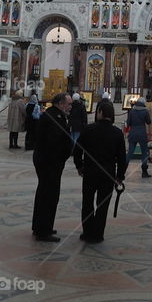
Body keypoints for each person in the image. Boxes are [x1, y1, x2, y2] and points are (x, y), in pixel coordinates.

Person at [74, 99, 127, 244]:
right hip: (108, 174)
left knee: (87, 202)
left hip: (90, 172)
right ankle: (97, 234)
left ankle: (87, 232)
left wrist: (79, 166)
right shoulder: (117, 133)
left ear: (100, 113)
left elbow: (77, 150)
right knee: (102, 204)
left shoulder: (88, 129)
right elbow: (122, 157)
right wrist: (120, 176)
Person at [32, 93, 74, 242]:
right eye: (69, 104)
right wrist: (63, 155)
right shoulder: (54, 118)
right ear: (61, 104)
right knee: (49, 195)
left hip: (47, 162)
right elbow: (54, 144)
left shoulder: (54, 115)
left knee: (44, 193)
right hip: (50, 163)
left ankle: (40, 226)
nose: (70, 107)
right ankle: (43, 231)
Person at [126, 97, 152, 178]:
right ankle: (144, 172)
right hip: (142, 134)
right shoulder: (145, 111)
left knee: (130, 152)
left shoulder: (132, 111)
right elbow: (149, 122)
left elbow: (128, 123)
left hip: (133, 133)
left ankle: (122, 169)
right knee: (144, 152)